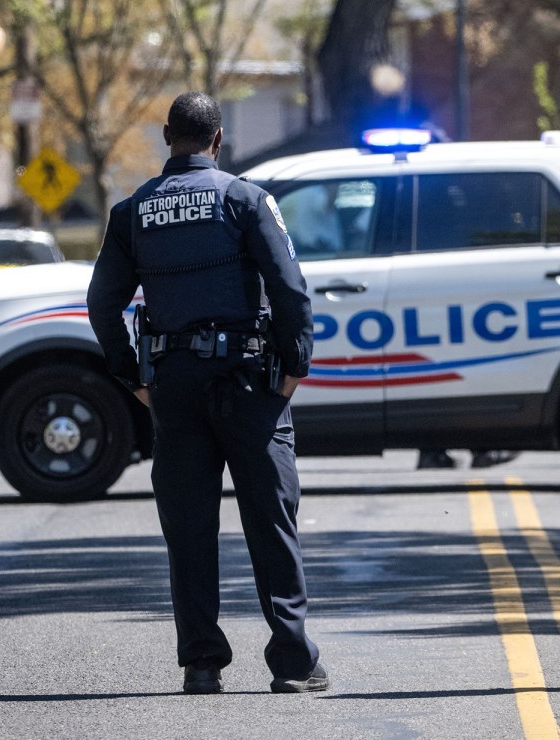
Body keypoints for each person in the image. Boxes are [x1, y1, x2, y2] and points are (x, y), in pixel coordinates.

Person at [87, 91, 327, 697]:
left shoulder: (132, 211)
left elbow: (101, 304)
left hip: (174, 387)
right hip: (249, 383)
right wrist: (296, 363)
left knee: (189, 528)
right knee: (271, 521)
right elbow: (290, 288)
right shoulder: (245, 199)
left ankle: (201, 662)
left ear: (168, 136)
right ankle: (293, 663)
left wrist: (132, 376)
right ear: (218, 140)